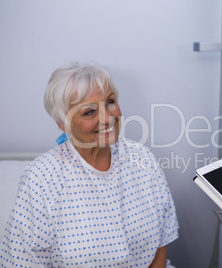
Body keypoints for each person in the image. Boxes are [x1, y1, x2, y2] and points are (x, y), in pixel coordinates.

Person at [0, 62, 179, 267]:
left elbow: (161, 243)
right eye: (89, 112)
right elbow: (22, 262)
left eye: (110, 102)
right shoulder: (41, 178)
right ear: (62, 123)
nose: (108, 118)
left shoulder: (142, 158)